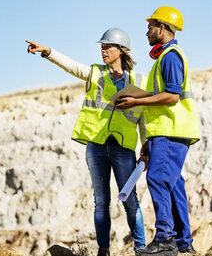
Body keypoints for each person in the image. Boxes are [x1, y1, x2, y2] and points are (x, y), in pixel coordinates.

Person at [26, 28, 147, 256]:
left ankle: (140, 248)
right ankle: (104, 251)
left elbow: (143, 117)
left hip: (123, 148)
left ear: (120, 50)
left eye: (107, 47)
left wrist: (146, 143)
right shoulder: (95, 73)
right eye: (101, 47)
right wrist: (48, 52)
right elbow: (71, 65)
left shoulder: (139, 80)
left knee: (130, 201)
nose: (103, 51)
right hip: (96, 146)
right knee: (101, 202)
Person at [115, 7, 200, 256]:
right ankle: (183, 243)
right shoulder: (166, 57)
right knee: (173, 185)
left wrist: (136, 101)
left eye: (150, 26)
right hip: (166, 132)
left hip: (170, 131)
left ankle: (164, 239)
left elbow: (172, 95)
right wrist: (149, 140)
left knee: (158, 180)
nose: (147, 31)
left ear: (162, 28)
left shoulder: (171, 56)